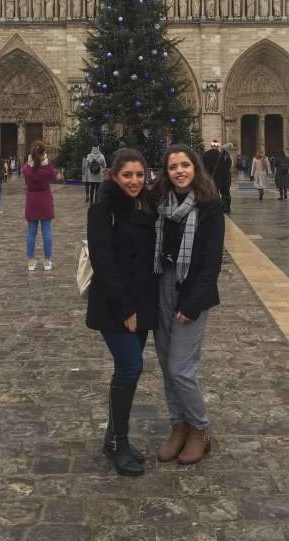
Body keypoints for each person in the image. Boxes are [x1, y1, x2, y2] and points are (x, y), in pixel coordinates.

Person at [86, 148, 158, 477]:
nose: (134, 181)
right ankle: (119, 442)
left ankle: (112, 438)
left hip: (141, 303)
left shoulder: (145, 205)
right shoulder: (103, 209)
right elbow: (103, 262)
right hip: (116, 305)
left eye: (140, 175)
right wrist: (126, 307)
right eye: (127, 175)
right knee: (130, 368)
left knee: (126, 370)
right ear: (114, 176)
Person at [152, 144, 224, 465]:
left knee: (181, 367)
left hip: (191, 291)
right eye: (172, 167)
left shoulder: (209, 207)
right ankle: (177, 425)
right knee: (168, 365)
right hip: (161, 288)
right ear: (166, 172)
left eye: (184, 165)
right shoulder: (160, 205)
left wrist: (193, 303)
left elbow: (211, 263)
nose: (179, 171)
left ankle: (199, 428)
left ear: (195, 168)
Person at [23, 140, 56, 272]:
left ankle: (31, 261)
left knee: (31, 233)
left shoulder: (26, 169)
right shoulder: (48, 169)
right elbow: (53, 177)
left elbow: (27, 173)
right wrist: (46, 162)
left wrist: (31, 163)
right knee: (47, 232)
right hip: (45, 200)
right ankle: (47, 261)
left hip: (32, 200)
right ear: (44, 154)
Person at [202, 140, 232, 214]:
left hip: (212, 178)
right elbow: (229, 164)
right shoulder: (224, 154)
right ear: (218, 146)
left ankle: (217, 207)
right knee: (225, 193)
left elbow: (202, 166)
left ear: (211, 146)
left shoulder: (206, 154)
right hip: (224, 178)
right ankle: (227, 208)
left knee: (215, 193)